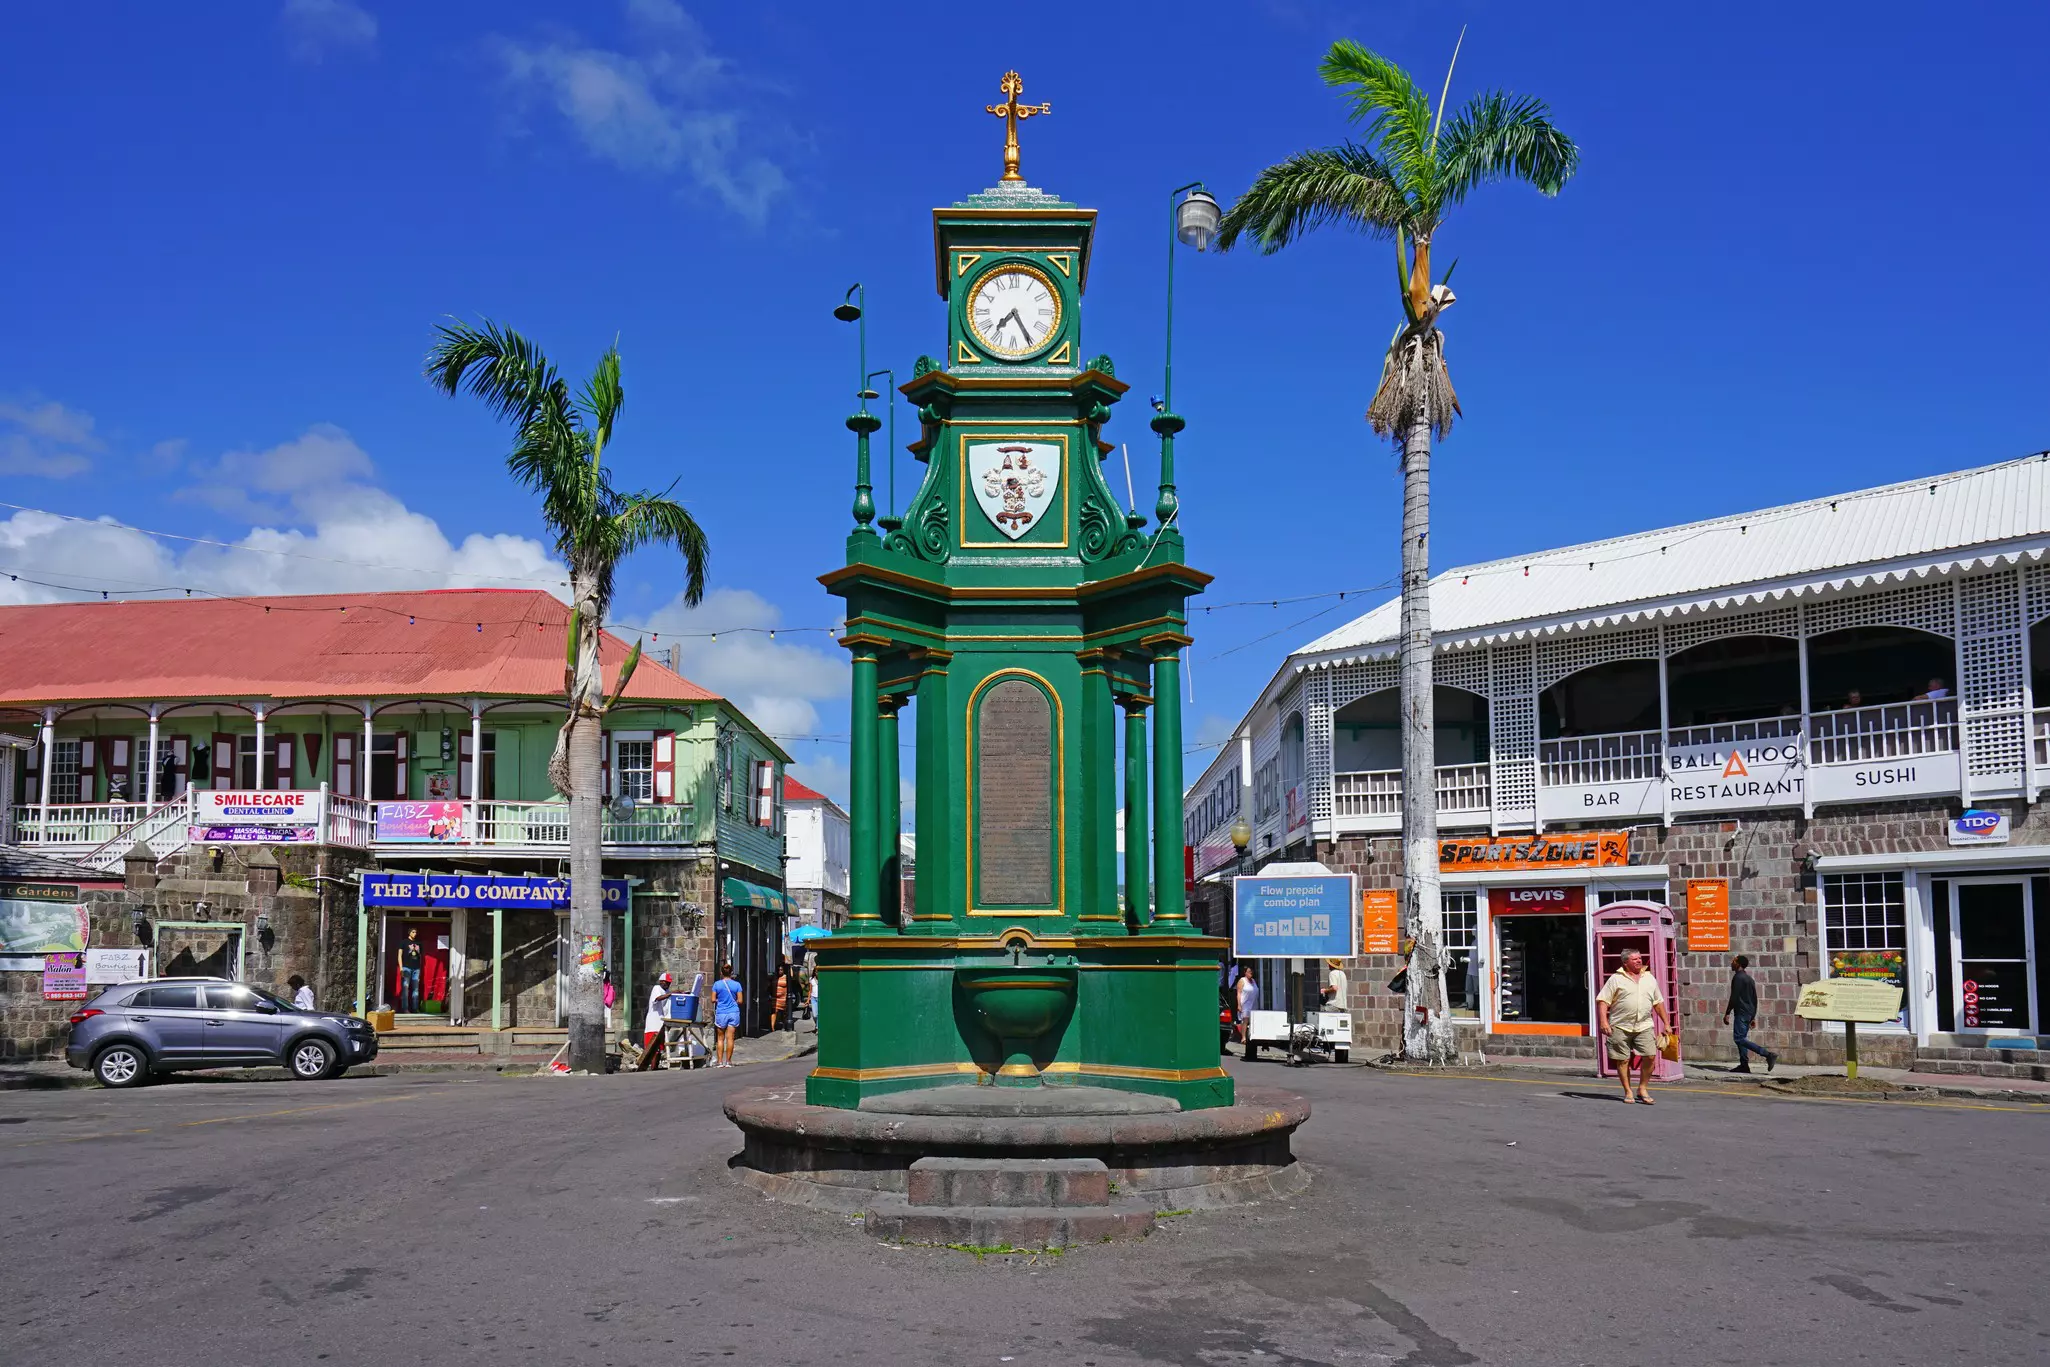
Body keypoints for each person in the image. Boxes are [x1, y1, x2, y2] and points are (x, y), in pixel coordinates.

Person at [1595, 947, 1673, 1105]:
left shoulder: (1649, 978)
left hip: (1644, 1025)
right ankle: (1628, 1091)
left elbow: (1658, 1002)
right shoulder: (1615, 979)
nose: (1639, 960)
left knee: (1650, 1056)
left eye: (1640, 957)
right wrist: (1604, 1022)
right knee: (1623, 1060)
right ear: (1625, 963)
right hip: (1620, 1025)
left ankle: (1642, 1088)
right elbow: (1603, 1001)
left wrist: (1666, 1023)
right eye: (1635, 959)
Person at [1723, 954, 1778, 1073]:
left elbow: (1734, 997)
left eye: (1733, 961)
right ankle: (1744, 1065)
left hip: (1741, 1013)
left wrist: (1727, 1012)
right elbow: (1755, 999)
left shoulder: (1738, 978)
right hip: (1748, 1013)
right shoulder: (1749, 979)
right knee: (1742, 1039)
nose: (1731, 963)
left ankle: (1767, 1054)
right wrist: (1752, 1017)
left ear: (1738, 964)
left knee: (1738, 1039)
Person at [638, 971, 673, 1071]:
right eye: (666, 982)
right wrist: (671, 994)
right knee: (652, 1048)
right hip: (653, 1023)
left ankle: (655, 1067)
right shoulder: (657, 988)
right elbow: (657, 998)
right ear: (661, 982)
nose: (668, 984)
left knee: (659, 1048)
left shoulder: (666, 991)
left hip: (661, 1022)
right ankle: (652, 1067)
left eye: (669, 983)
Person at [712, 962, 744, 1068]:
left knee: (720, 1038)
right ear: (731, 973)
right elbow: (740, 1000)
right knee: (730, 1038)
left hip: (721, 1013)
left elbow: (713, 1000)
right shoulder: (737, 985)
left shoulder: (717, 984)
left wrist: (720, 1000)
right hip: (733, 1012)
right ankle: (729, 1062)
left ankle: (720, 1062)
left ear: (721, 973)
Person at [1234, 964, 1263, 1062]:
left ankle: (1251, 1036)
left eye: (1252, 972)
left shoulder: (1253, 981)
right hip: (1245, 1003)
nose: (1251, 973)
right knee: (1245, 1019)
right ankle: (1243, 1037)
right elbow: (1238, 993)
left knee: (1253, 1021)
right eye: (1249, 972)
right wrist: (1239, 1005)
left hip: (1254, 1003)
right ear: (1245, 972)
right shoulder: (1242, 981)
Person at [397, 926, 424, 1013]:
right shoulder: (404, 942)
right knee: (405, 988)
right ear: (409, 933)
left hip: (416, 969)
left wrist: (420, 968)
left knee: (416, 989)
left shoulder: (418, 943)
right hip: (406, 968)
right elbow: (399, 955)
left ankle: (415, 1008)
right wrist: (401, 968)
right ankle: (405, 1009)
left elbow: (420, 956)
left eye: (415, 932)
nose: (414, 934)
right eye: (413, 932)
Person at [770, 956, 792, 1032]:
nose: (780, 971)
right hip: (775, 998)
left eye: (781, 970)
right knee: (774, 1011)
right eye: (779, 970)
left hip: (783, 998)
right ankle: (772, 1026)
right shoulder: (774, 977)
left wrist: (790, 965)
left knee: (783, 1013)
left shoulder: (786, 977)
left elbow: (791, 977)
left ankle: (784, 1025)